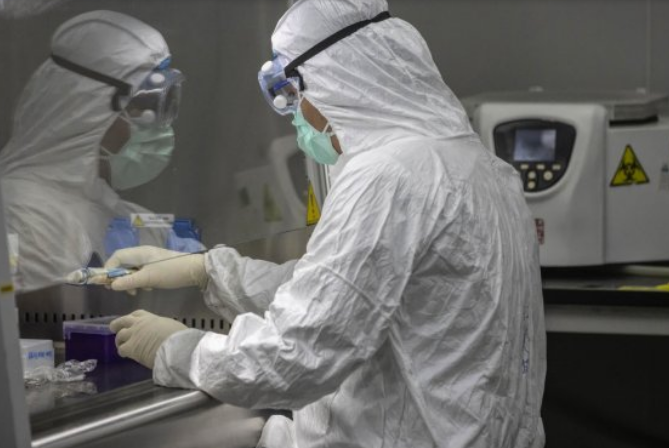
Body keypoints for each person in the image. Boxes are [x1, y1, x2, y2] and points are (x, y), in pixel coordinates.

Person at [108, 1, 547, 447]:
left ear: (337, 82)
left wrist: (180, 350)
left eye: (294, 95)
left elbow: (298, 355)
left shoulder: (387, 176)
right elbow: (345, 291)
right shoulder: (480, 168)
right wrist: (208, 271)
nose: (295, 114)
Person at [0, 10, 184, 291]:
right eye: (139, 109)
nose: (158, 128)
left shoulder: (117, 212)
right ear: (86, 112)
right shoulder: (23, 217)